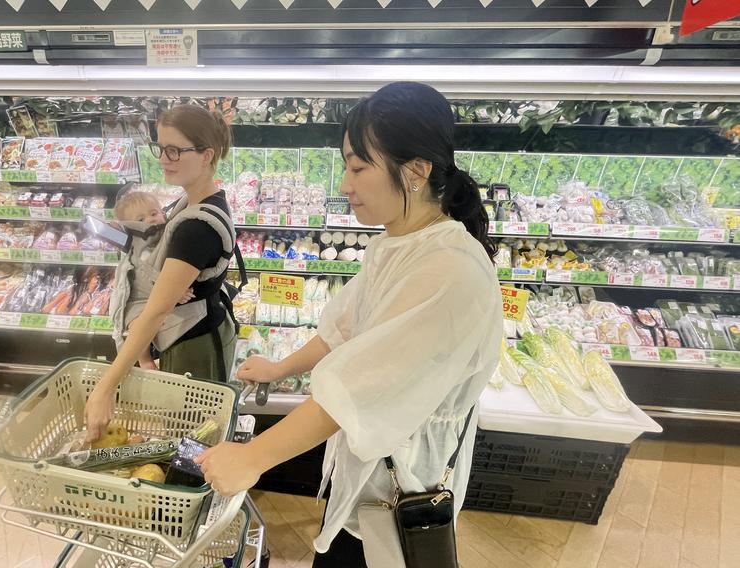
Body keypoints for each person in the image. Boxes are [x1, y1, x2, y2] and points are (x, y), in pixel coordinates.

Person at [195, 82, 503, 566]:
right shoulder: (397, 242)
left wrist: (253, 458)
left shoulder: (451, 268)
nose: (345, 184)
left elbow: (360, 388)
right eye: (346, 165)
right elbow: (343, 329)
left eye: (359, 167)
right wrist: (278, 370)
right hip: (370, 470)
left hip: (404, 486)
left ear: (416, 171)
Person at [86, 105, 238, 443]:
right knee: (192, 429)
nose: (163, 158)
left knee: (192, 437)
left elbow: (154, 312)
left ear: (206, 155)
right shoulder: (194, 203)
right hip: (197, 331)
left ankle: (194, 491)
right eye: (160, 148)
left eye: (174, 150)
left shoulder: (197, 228)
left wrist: (105, 387)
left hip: (193, 343)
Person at [108, 189, 195, 371]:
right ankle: (144, 359)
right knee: (138, 326)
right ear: (129, 225)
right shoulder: (139, 242)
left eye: (154, 213)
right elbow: (148, 271)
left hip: (159, 292)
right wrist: (174, 291)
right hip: (139, 298)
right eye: (140, 220)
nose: (150, 220)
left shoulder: (169, 230)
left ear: (163, 213)